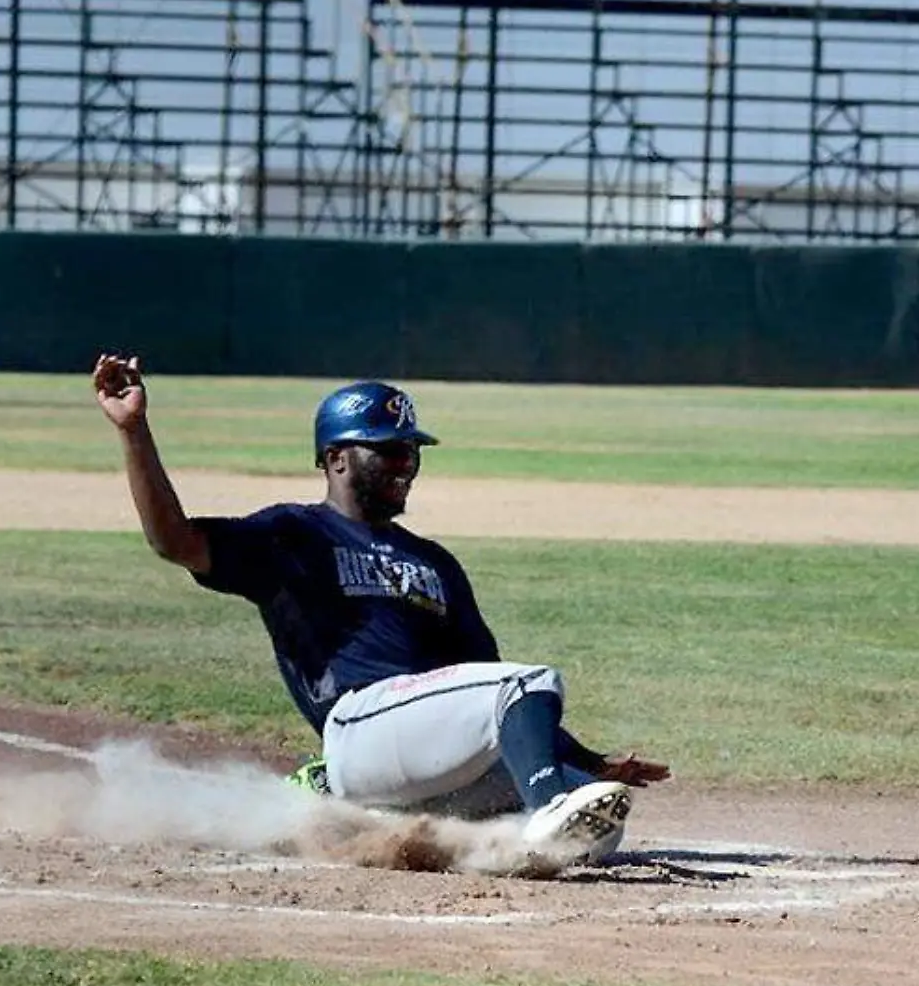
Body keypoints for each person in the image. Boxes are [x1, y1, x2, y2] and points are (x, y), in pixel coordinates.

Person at [91, 354, 669, 868]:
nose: (407, 463)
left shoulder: (434, 562)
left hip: (422, 760)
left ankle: (408, 833)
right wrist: (135, 432)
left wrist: (593, 762)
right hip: (359, 730)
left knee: (595, 816)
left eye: (412, 451)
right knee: (534, 687)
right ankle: (514, 813)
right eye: (391, 449)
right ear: (336, 457)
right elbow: (174, 540)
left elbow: (492, 710)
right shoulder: (292, 533)